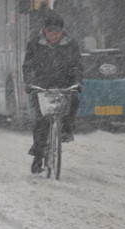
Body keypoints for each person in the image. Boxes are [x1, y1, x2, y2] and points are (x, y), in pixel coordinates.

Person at [23, 9, 83, 174]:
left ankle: (67, 129)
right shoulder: (34, 45)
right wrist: (30, 84)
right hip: (42, 86)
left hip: (64, 85)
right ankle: (38, 156)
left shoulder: (72, 45)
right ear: (44, 30)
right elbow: (28, 67)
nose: (54, 35)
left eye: (57, 32)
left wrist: (77, 82)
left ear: (62, 31)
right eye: (51, 31)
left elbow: (77, 66)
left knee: (74, 100)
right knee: (42, 120)